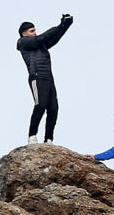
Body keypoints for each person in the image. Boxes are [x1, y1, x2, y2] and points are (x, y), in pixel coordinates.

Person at [17, 14, 73, 144]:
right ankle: (32, 136)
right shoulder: (23, 42)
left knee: (53, 108)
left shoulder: (40, 44)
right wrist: (59, 25)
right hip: (37, 76)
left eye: (35, 30)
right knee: (40, 105)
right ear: (24, 34)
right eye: (32, 31)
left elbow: (54, 38)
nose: (35, 33)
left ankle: (48, 139)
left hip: (48, 78)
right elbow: (42, 38)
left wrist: (65, 25)